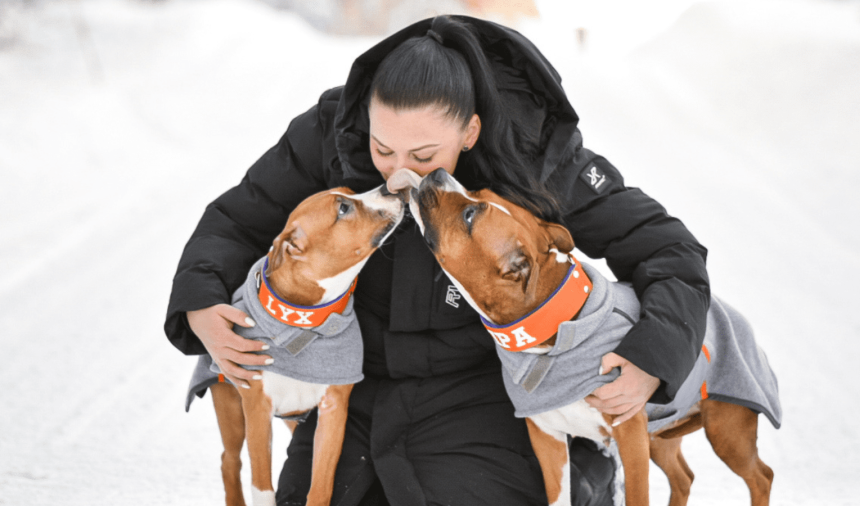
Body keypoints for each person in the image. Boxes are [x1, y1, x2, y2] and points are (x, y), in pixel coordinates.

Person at [165, 15, 710, 506]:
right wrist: (200, 304)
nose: (399, 173)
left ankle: (587, 471)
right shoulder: (331, 132)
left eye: (423, 156)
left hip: (484, 392)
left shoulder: (534, 150)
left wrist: (652, 358)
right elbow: (235, 221)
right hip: (356, 385)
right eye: (383, 150)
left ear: (470, 131)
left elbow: (668, 249)